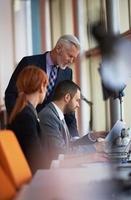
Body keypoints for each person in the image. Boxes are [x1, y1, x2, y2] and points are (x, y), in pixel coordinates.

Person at [5, 34, 80, 137]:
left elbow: (67, 104)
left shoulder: (67, 73)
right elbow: (11, 94)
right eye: (70, 56)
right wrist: (19, 120)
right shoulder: (28, 62)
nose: (71, 61)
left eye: (74, 58)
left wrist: (75, 138)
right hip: (24, 129)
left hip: (51, 133)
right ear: (59, 48)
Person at [39, 80, 108, 168]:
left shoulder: (57, 114)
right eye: (77, 100)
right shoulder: (49, 116)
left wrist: (92, 136)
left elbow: (70, 143)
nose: (78, 105)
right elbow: (61, 151)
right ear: (67, 97)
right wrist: (94, 148)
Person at [8, 65, 48, 174]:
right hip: (33, 177)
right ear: (41, 87)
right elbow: (36, 157)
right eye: (46, 86)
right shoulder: (26, 116)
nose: (46, 90)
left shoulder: (26, 111)